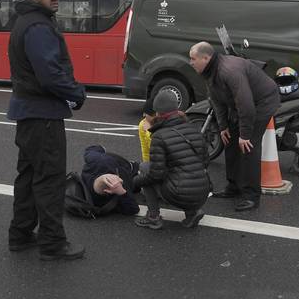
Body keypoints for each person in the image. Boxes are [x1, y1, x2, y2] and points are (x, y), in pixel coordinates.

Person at [7, 0, 87, 261]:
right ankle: (52, 243)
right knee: (50, 179)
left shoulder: (25, 22)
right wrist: (77, 93)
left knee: (28, 177)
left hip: (27, 112)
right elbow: (50, 74)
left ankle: (20, 234)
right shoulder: (39, 26)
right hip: (44, 114)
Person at [189, 41, 280, 211]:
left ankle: (252, 196)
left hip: (262, 102)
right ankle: (234, 186)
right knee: (230, 140)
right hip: (239, 104)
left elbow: (246, 105)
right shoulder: (209, 71)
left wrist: (245, 135)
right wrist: (223, 127)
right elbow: (216, 101)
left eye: (193, 59)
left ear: (206, 58)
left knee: (248, 147)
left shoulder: (228, 71)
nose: (190, 62)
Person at [133, 90, 210, 230]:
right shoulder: (194, 128)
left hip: (180, 193)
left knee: (145, 168)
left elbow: (156, 174)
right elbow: (205, 161)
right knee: (184, 170)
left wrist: (136, 182)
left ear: (157, 112)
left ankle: (153, 217)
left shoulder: (159, 136)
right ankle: (192, 212)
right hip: (203, 191)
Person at [79, 145, 140, 216]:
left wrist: (102, 149)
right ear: (109, 191)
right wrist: (122, 192)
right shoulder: (105, 201)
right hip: (133, 173)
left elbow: (90, 150)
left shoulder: (100, 161)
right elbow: (133, 209)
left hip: (118, 163)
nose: (119, 179)